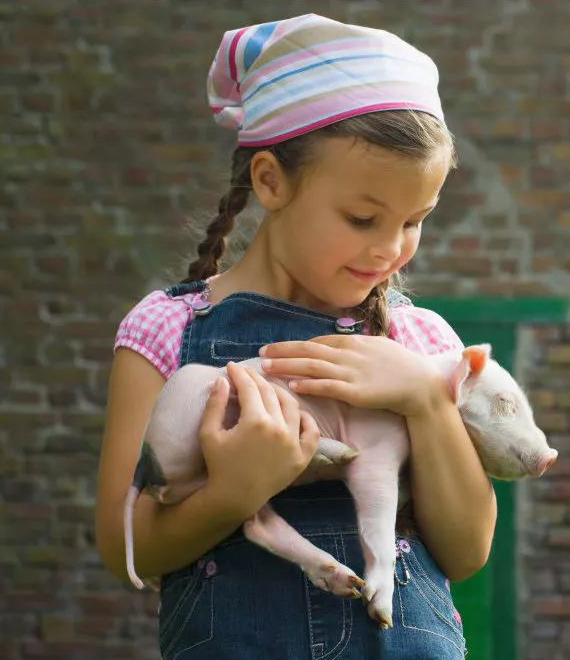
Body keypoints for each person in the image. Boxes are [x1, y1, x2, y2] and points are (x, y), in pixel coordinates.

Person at [94, 13, 495, 660]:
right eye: (362, 218)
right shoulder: (166, 327)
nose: (390, 249)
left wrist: (424, 399)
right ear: (271, 181)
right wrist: (235, 491)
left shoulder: (422, 341)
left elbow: (467, 550)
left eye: (415, 221)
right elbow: (124, 548)